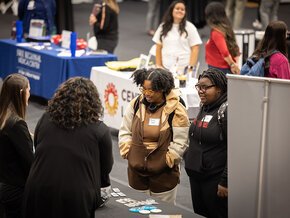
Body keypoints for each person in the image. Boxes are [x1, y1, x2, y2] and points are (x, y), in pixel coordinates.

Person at [22, 77, 114, 218]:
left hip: (39, 187)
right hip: (76, 195)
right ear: (93, 102)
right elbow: (106, 167)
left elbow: (37, 146)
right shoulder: (100, 130)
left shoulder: (46, 119)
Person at [118, 68, 189, 204]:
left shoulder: (176, 109)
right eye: (144, 89)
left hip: (164, 174)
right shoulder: (136, 104)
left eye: (151, 90)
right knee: (137, 210)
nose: (146, 93)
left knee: (163, 213)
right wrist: (129, 152)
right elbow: (125, 131)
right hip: (136, 172)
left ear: (162, 89)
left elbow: (181, 141)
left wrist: (168, 160)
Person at [184, 68, 228, 218]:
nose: (201, 91)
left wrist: (225, 181)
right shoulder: (204, 106)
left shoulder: (226, 111)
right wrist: (188, 156)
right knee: (199, 214)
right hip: (196, 175)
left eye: (205, 87)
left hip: (215, 179)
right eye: (199, 87)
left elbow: (235, 150)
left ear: (219, 89)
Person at [0, 73, 34, 218]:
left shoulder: (4, 117)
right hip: (15, 188)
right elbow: (30, 162)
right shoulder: (17, 124)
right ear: (22, 93)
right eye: (29, 90)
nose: (30, 94)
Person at [152, 0, 202, 72]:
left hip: (184, 70)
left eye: (182, 9)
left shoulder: (190, 27)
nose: (180, 11)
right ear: (172, 10)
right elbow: (158, 47)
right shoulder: (163, 26)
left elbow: (195, 48)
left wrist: (190, 69)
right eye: (177, 8)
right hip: (165, 68)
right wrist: (159, 66)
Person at [205, 1, 240, 74]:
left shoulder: (216, 32)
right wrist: (235, 63)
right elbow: (234, 47)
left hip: (218, 69)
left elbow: (224, 52)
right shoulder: (226, 28)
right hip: (223, 68)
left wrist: (232, 64)